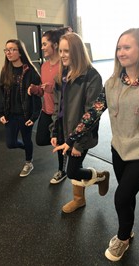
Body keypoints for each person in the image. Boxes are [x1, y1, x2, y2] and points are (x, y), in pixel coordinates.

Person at [53, 28, 139, 261]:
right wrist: (71, 139)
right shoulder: (112, 83)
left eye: (127, 47)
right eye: (118, 48)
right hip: (119, 150)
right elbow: (92, 114)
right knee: (129, 196)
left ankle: (123, 238)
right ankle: (129, 228)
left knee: (121, 196)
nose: (121, 52)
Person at [51, 32, 110, 213]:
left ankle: (99, 176)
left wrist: (78, 143)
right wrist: (54, 131)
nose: (62, 55)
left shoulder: (92, 77)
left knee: (72, 171)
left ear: (77, 51)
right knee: (71, 166)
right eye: (60, 50)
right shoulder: (63, 74)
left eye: (67, 51)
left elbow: (92, 114)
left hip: (79, 134)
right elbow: (58, 106)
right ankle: (79, 200)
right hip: (64, 129)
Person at [28, 27, 72, 184]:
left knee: (59, 140)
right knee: (40, 139)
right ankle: (65, 143)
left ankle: (62, 170)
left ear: (55, 45)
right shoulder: (44, 66)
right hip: (46, 110)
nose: (42, 48)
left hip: (60, 113)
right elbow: (44, 90)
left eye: (44, 44)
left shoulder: (65, 66)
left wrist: (52, 88)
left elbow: (68, 92)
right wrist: (37, 90)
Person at [0, 39, 41, 177]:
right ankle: (27, 148)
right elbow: (2, 94)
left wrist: (34, 116)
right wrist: (1, 113)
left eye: (12, 49)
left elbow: (37, 96)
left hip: (25, 113)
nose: (8, 53)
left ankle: (29, 162)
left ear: (20, 52)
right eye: (6, 50)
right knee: (10, 143)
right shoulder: (5, 71)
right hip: (10, 114)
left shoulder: (30, 71)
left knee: (27, 138)